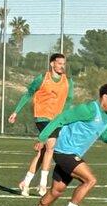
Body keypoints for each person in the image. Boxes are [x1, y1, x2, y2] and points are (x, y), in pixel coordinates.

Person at [20, 83, 107, 206]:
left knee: (56, 191)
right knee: (90, 180)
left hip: (71, 154)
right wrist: (43, 137)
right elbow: (61, 118)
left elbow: (106, 137)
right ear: (105, 97)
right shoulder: (88, 109)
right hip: (64, 151)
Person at [7, 53, 74, 197]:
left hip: (57, 120)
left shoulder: (68, 82)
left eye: (64, 63)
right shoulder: (42, 78)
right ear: (52, 64)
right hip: (42, 116)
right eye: (59, 63)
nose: (62, 66)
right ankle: (43, 185)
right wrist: (16, 111)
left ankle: (26, 182)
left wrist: (65, 118)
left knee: (43, 152)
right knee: (50, 145)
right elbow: (28, 94)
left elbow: (69, 101)